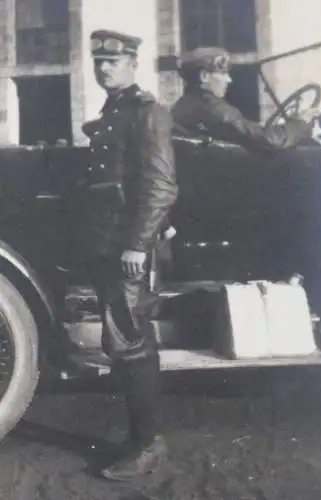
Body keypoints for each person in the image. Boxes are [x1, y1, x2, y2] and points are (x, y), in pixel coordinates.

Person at [78, 29, 178, 481]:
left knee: (131, 341)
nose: (104, 68)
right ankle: (142, 439)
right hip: (110, 246)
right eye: (99, 61)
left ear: (133, 62)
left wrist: (138, 244)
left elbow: (160, 186)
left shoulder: (146, 113)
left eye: (112, 62)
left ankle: (148, 445)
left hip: (130, 250)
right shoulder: (113, 112)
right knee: (123, 341)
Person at [172, 47, 317, 151]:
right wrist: (299, 124)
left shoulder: (181, 107)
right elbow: (270, 140)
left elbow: (249, 132)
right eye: (223, 74)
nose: (228, 80)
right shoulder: (217, 111)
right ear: (204, 76)